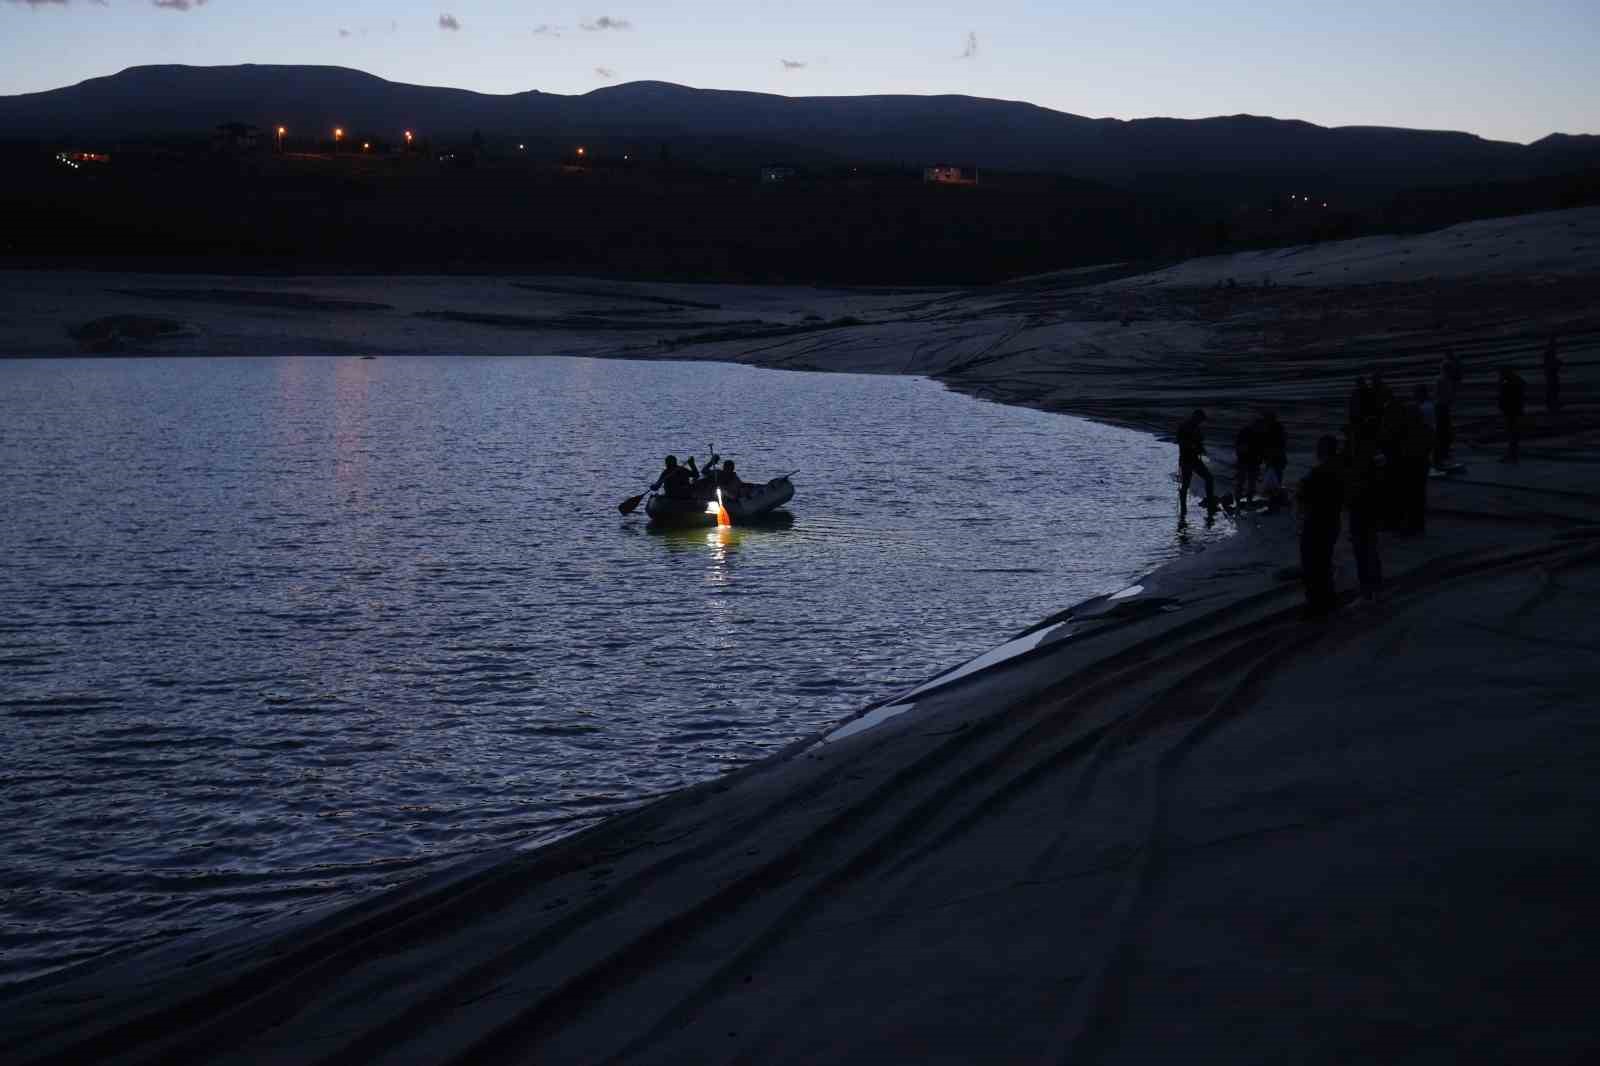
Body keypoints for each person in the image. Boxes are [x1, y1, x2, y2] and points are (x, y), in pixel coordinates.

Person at [1297, 435, 1345, 617]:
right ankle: (1327, 599)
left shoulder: (1320, 472)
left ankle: (1317, 604)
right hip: (1331, 520)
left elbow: (1305, 495)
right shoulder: (1339, 469)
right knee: (1323, 562)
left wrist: (1303, 490)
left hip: (1317, 520)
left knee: (1313, 564)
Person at [1344, 430, 1384, 603]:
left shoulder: (1362, 466)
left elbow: (1356, 491)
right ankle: (1374, 588)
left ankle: (1368, 589)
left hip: (1362, 512)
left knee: (1363, 552)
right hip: (1367, 512)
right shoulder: (1372, 464)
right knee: (1369, 550)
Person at [1175, 409, 1215, 517]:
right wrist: (1193, 445)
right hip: (1186, 459)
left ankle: (1210, 501)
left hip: (1194, 458)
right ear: (1195, 417)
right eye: (1200, 420)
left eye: (1201, 420)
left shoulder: (1195, 427)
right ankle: (1183, 507)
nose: (1200, 422)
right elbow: (1180, 441)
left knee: (1208, 478)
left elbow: (1198, 442)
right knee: (1186, 483)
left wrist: (1200, 448)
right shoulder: (1184, 426)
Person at [1433, 352, 1460, 467]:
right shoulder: (1442, 379)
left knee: (1445, 432)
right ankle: (1440, 456)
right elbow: (1438, 395)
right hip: (1441, 407)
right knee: (1442, 432)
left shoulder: (1446, 380)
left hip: (1444, 407)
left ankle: (1443, 454)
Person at [1233, 416, 1264, 503]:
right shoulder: (1248, 432)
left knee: (1249, 483)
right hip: (1245, 461)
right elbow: (1238, 446)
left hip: (1251, 461)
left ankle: (1244, 500)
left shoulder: (1257, 434)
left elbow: (1260, 449)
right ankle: (1241, 500)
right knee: (1244, 482)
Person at [1498, 367, 1526, 463]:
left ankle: (1512, 455)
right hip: (1514, 410)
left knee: (1512, 433)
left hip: (1511, 411)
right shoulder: (1516, 381)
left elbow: (1504, 395)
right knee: (1513, 434)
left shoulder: (1508, 383)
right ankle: (1513, 455)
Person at [1543, 336, 1562, 413]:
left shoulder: (1549, 351)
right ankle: (1551, 403)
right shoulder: (1550, 351)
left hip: (1550, 372)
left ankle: (1551, 403)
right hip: (1551, 373)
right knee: (1553, 387)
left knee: (1552, 387)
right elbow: (1550, 362)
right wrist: (1557, 363)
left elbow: (1549, 362)